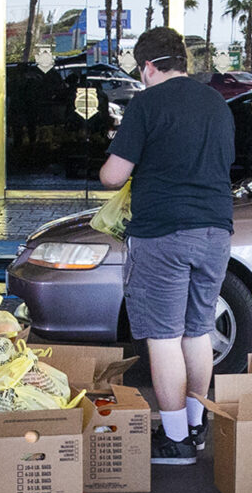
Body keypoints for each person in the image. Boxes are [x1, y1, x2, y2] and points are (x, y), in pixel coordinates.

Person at [98, 27, 235, 466]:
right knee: (198, 332)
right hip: (216, 230)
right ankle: (195, 426)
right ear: (184, 62)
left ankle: (174, 440)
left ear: (148, 66)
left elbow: (114, 176)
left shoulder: (147, 103)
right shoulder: (215, 102)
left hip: (163, 233)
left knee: (163, 337)